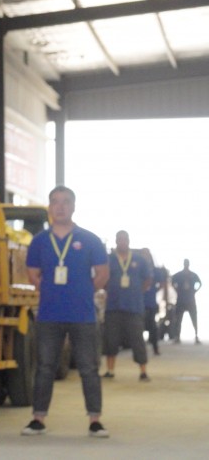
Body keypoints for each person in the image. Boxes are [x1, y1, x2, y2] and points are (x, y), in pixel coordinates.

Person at [22, 185, 109, 439]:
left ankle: (95, 420)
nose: (60, 207)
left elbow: (103, 273)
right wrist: (51, 290)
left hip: (83, 315)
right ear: (50, 207)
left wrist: (82, 290)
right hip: (49, 315)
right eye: (55, 202)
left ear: (73, 206)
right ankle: (38, 419)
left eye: (66, 202)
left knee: (88, 368)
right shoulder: (39, 241)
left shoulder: (90, 239)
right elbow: (33, 274)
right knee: (45, 367)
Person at [101, 232, 153, 381]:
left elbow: (148, 279)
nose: (122, 242)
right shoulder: (109, 259)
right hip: (113, 307)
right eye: (119, 240)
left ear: (128, 241)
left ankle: (143, 372)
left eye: (125, 239)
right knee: (111, 339)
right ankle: (110, 370)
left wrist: (138, 291)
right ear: (116, 241)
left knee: (137, 340)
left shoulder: (139, 259)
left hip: (134, 307)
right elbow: (102, 277)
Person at [170, 259, 202, 344]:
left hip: (190, 299)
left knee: (194, 318)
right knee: (178, 319)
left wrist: (194, 291)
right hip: (181, 299)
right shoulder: (179, 275)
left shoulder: (193, 275)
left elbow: (200, 283)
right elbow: (172, 281)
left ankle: (196, 335)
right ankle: (177, 336)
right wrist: (177, 290)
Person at [141, 249, 163, 355]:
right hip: (138, 303)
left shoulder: (155, 270)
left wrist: (154, 290)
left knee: (152, 326)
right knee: (138, 327)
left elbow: (162, 283)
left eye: (147, 255)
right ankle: (140, 349)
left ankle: (155, 347)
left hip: (150, 302)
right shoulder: (137, 268)